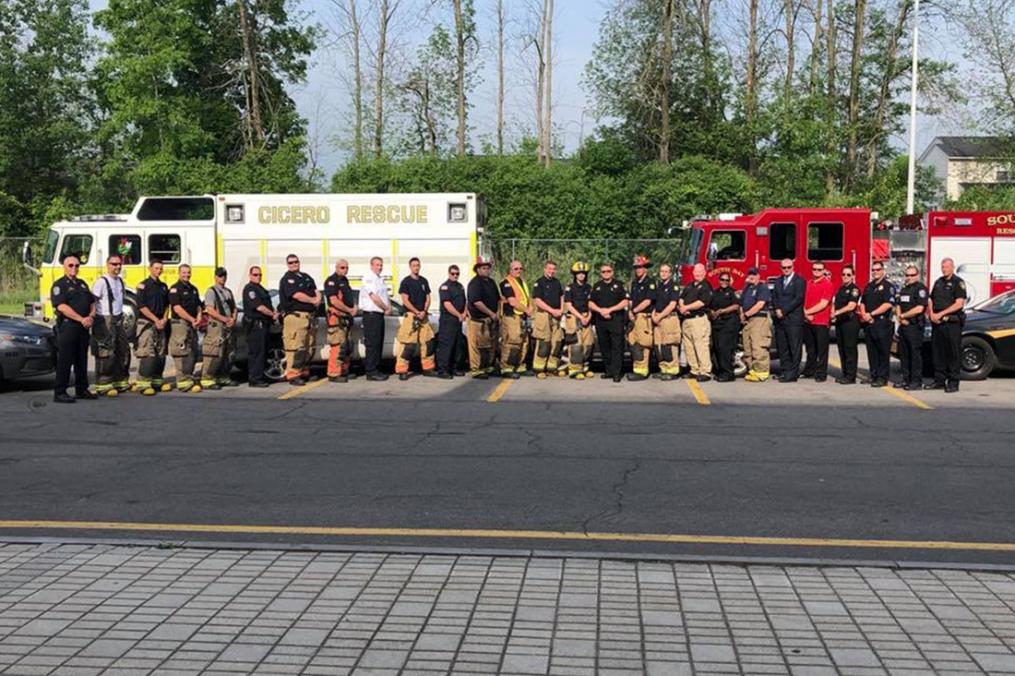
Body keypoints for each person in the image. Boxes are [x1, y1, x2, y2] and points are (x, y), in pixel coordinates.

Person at [51, 255, 96, 403]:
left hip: (83, 327)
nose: (74, 268)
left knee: (81, 359)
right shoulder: (59, 285)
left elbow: (92, 302)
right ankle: (60, 392)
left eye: (77, 265)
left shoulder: (82, 284)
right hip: (68, 326)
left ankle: (81, 389)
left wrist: (90, 316)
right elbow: (62, 307)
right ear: (64, 267)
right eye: (71, 265)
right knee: (65, 360)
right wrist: (81, 319)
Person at [91, 254, 130, 396]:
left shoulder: (120, 281)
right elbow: (93, 301)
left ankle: (120, 381)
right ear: (107, 265)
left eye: (119, 264)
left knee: (122, 350)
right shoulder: (101, 282)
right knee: (105, 352)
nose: (117, 267)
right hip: (104, 319)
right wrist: (93, 318)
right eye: (114, 264)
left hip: (118, 319)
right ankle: (103, 384)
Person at [279, 254, 321, 386]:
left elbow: (316, 290)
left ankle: (303, 372)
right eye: (291, 263)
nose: (294, 264)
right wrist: (313, 300)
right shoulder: (287, 279)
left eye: (296, 262)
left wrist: (318, 298)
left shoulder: (306, 277)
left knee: (308, 346)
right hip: (296, 317)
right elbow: (296, 295)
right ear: (287, 264)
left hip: (309, 317)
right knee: (296, 346)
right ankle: (293, 374)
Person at [926, 257, 967, 393]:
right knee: (938, 353)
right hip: (937, 323)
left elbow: (959, 303)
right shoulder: (938, 282)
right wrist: (932, 314)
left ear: (952, 267)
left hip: (951, 323)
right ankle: (939, 380)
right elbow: (931, 299)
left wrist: (941, 314)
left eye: (947, 267)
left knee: (952, 353)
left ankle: (953, 382)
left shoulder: (958, 283)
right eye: (943, 267)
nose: (944, 269)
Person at [134, 259, 171, 396]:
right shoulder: (143, 286)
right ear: (150, 269)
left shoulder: (163, 286)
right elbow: (142, 307)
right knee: (147, 352)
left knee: (160, 354)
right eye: (156, 268)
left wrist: (165, 318)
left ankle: (156, 381)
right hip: (147, 323)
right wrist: (156, 320)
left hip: (160, 323)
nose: (159, 270)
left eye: (161, 268)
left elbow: (167, 305)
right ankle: (143, 383)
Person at [395, 257, 436, 380]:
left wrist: (424, 311)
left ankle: (428, 368)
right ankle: (402, 370)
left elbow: (428, 298)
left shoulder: (424, 281)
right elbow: (405, 300)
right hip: (411, 316)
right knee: (408, 344)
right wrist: (417, 311)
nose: (416, 267)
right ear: (410, 266)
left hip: (423, 316)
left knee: (428, 342)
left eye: (418, 265)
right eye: (414, 265)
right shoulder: (406, 282)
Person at [589, 263, 629, 382]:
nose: (606, 273)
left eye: (608, 271)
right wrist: (600, 310)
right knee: (604, 346)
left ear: (612, 272)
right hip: (601, 321)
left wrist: (610, 310)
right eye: (603, 271)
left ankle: (617, 372)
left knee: (617, 347)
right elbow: (590, 303)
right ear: (600, 273)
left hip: (615, 320)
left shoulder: (619, 285)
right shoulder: (597, 286)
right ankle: (609, 370)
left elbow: (625, 302)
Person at [858, 261, 895, 387]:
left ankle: (882, 377)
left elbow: (888, 304)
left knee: (883, 352)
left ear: (883, 270)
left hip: (882, 323)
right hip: (869, 323)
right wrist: (864, 314)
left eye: (878, 269)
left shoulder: (888, 286)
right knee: (872, 352)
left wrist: (872, 314)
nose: (875, 272)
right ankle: (873, 375)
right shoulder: (869, 286)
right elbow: (862, 302)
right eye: (873, 270)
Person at [168, 264, 203, 393]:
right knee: (181, 351)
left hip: (192, 324)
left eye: (188, 272)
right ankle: (182, 380)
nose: (186, 275)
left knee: (192, 350)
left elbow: (199, 305)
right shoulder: (175, 289)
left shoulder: (193, 289)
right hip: (180, 324)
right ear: (179, 273)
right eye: (184, 272)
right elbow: (177, 308)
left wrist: (198, 317)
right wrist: (192, 319)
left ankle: (188, 377)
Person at [201, 267, 238, 390]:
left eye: (224, 275)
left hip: (228, 325)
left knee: (229, 353)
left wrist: (233, 319)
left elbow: (234, 308)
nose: (222, 278)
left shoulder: (228, 292)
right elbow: (210, 310)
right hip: (216, 326)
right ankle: (207, 378)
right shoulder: (211, 291)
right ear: (215, 277)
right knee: (214, 353)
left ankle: (223, 377)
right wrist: (224, 319)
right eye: (220, 275)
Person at [771, 258, 805, 382]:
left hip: (793, 320)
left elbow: (798, 299)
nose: (786, 270)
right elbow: (774, 296)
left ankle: (793, 373)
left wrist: (783, 311)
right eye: (784, 267)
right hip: (780, 320)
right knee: (782, 347)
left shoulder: (799, 281)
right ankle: (784, 371)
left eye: (788, 267)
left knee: (794, 347)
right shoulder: (778, 281)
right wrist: (777, 309)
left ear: (793, 267)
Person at [678, 263, 713, 382]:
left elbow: (702, 302)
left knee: (701, 346)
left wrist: (686, 307)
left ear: (705, 273)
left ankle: (705, 371)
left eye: (700, 272)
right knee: (689, 347)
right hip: (687, 320)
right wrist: (682, 307)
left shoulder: (706, 286)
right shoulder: (689, 286)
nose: (697, 274)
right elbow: (681, 298)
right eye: (696, 272)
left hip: (698, 319)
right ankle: (694, 370)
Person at [243, 266, 277, 388]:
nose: (258, 277)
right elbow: (259, 307)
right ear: (250, 275)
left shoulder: (260, 288)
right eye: (255, 275)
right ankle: (254, 379)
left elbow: (267, 304)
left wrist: (274, 312)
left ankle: (259, 376)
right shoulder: (250, 289)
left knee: (262, 352)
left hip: (264, 325)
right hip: (255, 325)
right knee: (256, 352)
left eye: (259, 275)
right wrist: (272, 314)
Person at [531, 261, 566, 378]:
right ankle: (539, 369)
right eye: (549, 269)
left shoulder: (557, 282)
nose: (552, 271)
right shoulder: (539, 283)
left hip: (556, 316)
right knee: (543, 343)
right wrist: (552, 311)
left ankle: (551, 368)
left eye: (553, 269)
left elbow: (561, 296)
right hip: (544, 316)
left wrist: (561, 310)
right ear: (544, 269)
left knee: (556, 342)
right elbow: (538, 301)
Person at [466, 258, 500, 379]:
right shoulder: (474, 284)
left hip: (490, 320)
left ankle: (487, 367)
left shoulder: (491, 282)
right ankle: (476, 369)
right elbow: (477, 302)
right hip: (478, 321)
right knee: (476, 346)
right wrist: (491, 313)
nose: (487, 270)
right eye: (484, 268)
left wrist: (497, 313)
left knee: (489, 346)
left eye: (488, 268)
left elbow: (498, 298)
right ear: (477, 269)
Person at [499, 260, 533, 379]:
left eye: (520, 268)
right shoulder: (506, 283)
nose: (518, 271)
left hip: (522, 316)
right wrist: (526, 309)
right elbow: (512, 301)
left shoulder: (522, 282)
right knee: (512, 341)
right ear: (510, 270)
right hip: (511, 316)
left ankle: (520, 366)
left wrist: (530, 307)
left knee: (524, 342)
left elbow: (526, 297)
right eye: (516, 269)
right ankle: (507, 367)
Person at [324, 259, 357, 383]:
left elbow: (348, 298)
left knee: (347, 346)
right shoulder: (331, 281)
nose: (345, 270)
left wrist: (354, 307)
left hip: (346, 319)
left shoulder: (344, 281)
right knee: (338, 346)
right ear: (336, 268)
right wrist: (349, 309)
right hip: (337, 318)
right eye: (342, 267)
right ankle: (333, 373)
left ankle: (343, 370)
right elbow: (333, 300)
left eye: (347, 268)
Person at [359, 256, 391, 381]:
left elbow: (384, 296)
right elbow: (374, 297)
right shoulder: (369, 278)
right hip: (371, 315)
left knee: (378, 343)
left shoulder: (380, 279)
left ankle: (376, 369)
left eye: (381, 265)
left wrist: (387, 307)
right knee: (372, 344)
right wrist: (385, 308)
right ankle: (371, 371)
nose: (379, 267)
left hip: (379, 315)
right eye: (377, 265)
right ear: (371, 265)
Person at [802, 262, 834, 382]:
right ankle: (809, 370)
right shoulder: (809, 283)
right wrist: (806, 313)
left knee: (822, 350)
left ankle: (821, 374)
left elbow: (823, 304)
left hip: (821, 321)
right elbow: (803, 300)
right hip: (808, 321)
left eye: (819, 269)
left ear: (824, 270)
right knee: (810, 349)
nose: (816, 271)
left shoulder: (828, 284)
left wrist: (807, 313)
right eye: (814, 269)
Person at [626, 255, 656, 381]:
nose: (638, 269)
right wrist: (630, 311)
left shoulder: (650, 282)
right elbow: (632, 300)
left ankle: (642, 371)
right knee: (633, 342)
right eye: (636, 267)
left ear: (645, 268)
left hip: (644, 317)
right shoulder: (634, 283)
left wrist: (634, 310)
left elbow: (648, 301)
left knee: (643, 344)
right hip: (634, 316)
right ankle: (637, 368)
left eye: (640, 267)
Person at [739, 267, 771, 382]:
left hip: (759, 319)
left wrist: (746, 314)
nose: (751, 276)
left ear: (758, 276)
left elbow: (760, 304)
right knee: (748, 347)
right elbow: (741, 303)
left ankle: (761, 373)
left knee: (758, 346)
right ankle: (752, 370)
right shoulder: (747, 287)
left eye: (754, 274)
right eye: (750, 274)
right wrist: (742, 315)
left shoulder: (763, 287)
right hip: (748, 320)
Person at [563, 261, 594, 379]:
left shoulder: (589, 288)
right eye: (579, 273)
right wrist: (581, 317)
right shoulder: (570, 288)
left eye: (584, 273)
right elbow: (569, 305)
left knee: (588, 344)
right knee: (576, 345)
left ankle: (585, 368)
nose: (581, 275)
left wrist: (589, 316)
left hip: (587, 317)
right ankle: (575, 370)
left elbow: (592, 304)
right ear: (574, 274)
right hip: (574, 318)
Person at [831, 265, 861, 385]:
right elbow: (835, 303)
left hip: (850, 322)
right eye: (843, 274)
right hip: (840, 322)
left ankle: (851, 376)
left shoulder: (854, 289)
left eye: (848, 274)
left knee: (850, 349)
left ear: (853, 276)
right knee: (842, 348)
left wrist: (836, 312)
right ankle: (845, 373)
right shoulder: (841, 289)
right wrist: (833, 313)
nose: (845, 277)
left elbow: (851, 306)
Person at [436, 265, 467, 379]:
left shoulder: (460, 287)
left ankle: (454, 368)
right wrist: (459, 315)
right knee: (446, 346)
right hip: (448, 320)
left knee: (457, 345)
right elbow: (447, 304)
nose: (455, 275)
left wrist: (464, 313)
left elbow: (465, 301)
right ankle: (443, 370)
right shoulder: (445, 287)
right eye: (453, 273)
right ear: (449, 273)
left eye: (457, 273)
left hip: (458, 321)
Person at [651, 264, 681, 381]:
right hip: (658, 318)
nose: (663, 273)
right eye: (661, 271)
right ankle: (663, 369)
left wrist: (660, 316)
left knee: (669, 346)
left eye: (666, 271)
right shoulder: (659, 286)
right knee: (659, 346)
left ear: (670, 273)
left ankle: (672, 370)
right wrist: (654, 315)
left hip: (669, 319)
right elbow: (656, 303)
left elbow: (672, 305)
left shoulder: (673, 287)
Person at [708, 272, 740, 382]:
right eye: (722, 279)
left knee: (724, 348)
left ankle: (728, 373)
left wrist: (723, 311)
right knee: (717, 348)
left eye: (727, 280)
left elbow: (736, 306)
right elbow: (710, 306)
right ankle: (720, 371)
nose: (724, 282)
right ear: (719, 280)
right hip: (717, 324)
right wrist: (712, 312)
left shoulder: (732, 292)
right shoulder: (715, 292)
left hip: (729, 323)